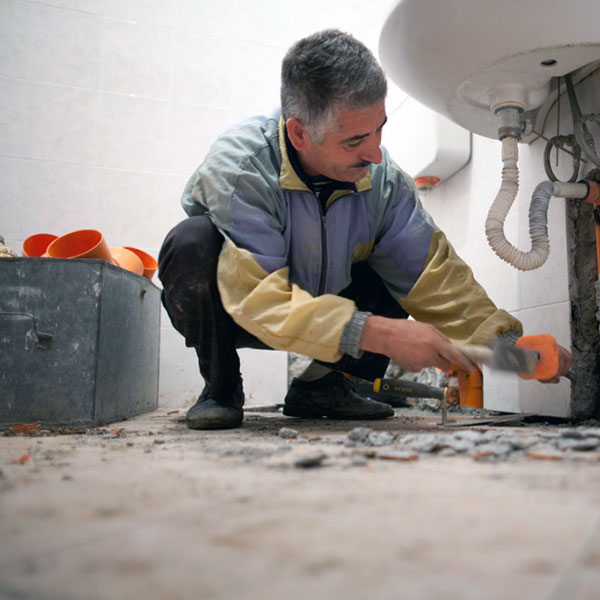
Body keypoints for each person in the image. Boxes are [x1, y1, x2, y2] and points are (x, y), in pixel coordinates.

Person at [159, 29, 572, 430]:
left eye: (379, 129)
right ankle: (221, 387)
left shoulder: (382, 179)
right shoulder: (242, 166)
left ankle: (323, 387)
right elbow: (258, 299)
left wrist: (506, 345)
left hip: (326, 315)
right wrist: (375, 331)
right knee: (190, 242)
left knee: (396, 272)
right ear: (299, 134)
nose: (374, 152)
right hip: (241, 311)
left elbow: (432, 275)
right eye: (355, 140)